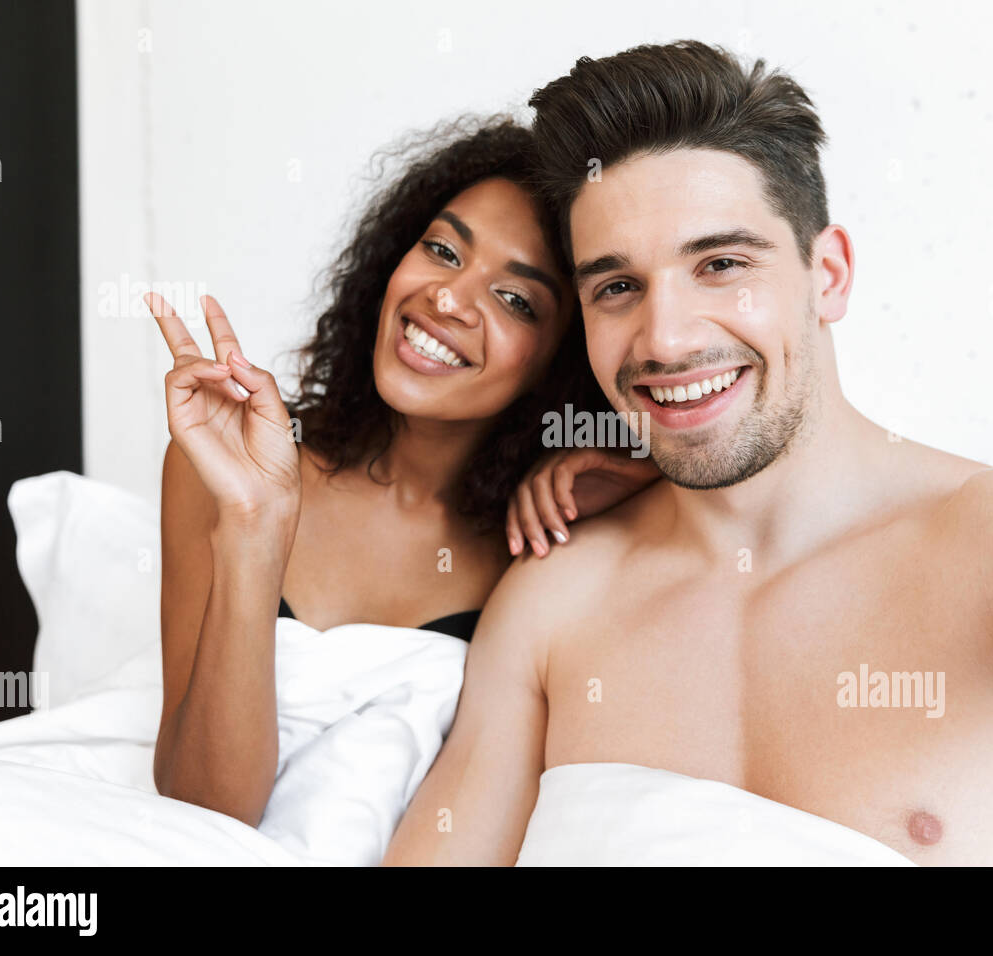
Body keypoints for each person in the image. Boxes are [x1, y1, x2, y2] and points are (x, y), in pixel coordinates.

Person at [383, 42, 993, 865]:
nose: (667, 337)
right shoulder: (555, 599)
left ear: (827, 274)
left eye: (720, 263)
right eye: (617, 287)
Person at [145, 118, 658, 827]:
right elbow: (205, 807)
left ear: (563, 362)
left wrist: (650, 473)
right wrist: (254, 525)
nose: (448, 299)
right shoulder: (228, 460)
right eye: (443, 250)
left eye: (516, 300)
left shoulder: (558, 535)